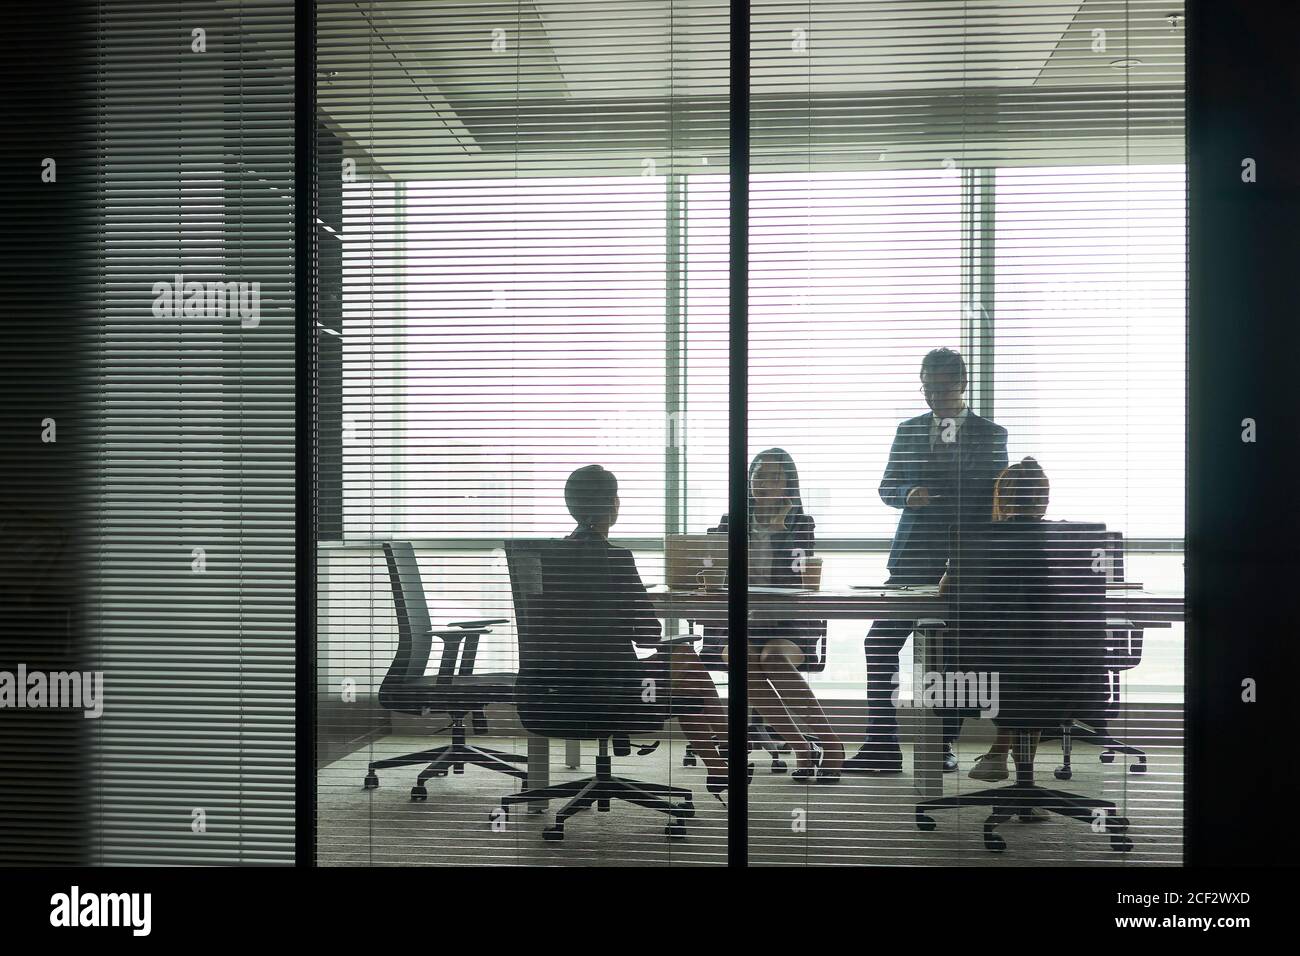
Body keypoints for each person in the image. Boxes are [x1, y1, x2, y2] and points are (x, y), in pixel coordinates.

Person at [845, 348, 1008, 774]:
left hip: (964, 561)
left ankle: (942, 745)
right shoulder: (908, 430)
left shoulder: (991, 434)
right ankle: (881, 743)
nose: (933, 396)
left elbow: (994, 497)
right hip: (911, 557)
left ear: (962, 385)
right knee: (878, 643)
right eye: (927, 388)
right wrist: (907, 495)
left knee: (949, 654)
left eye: (942, 388)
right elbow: (887, 486)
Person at [561, 465, 739, 801]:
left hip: (556, 687)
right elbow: (647, 635)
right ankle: (726, 751)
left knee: (684, 667)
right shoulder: (615, 559)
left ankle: (720, 765)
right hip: (612, 688)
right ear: (613, 504)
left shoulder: (546, 559)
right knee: (685, 657)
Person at [706, 449, 845, 781]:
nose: (762, 481)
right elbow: (713, 571)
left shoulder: (801, 524)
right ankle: (802, 746)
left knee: (774, 660)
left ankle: (831, 744)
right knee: (743, 658)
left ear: (788, 484)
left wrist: (781, 528)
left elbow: (797, 579)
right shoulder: (730, 522)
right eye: (757, 474)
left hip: (788, 624)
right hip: (742, 623)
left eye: (772, 476)